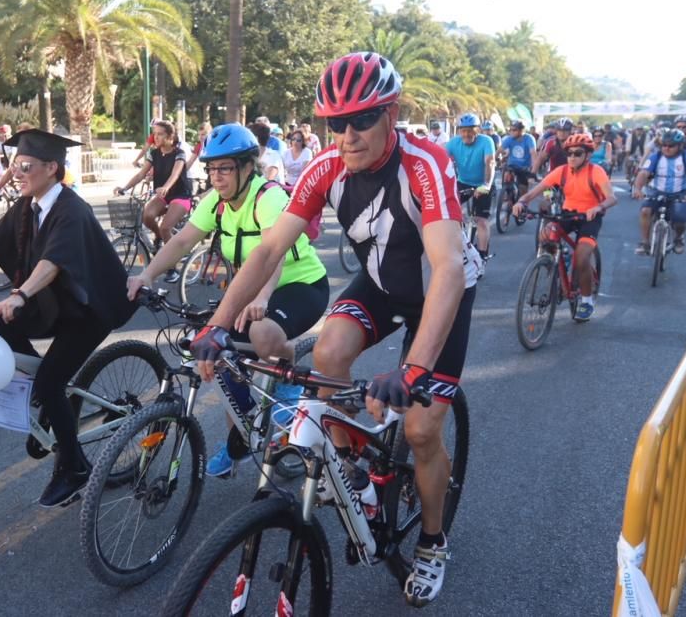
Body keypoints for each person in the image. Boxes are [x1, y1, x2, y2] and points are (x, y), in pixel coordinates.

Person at [190, 52, 480, 608]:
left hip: (444, 295)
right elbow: (271, 246)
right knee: (327, 354)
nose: (348, 135)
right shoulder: (325, 168)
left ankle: (432, 540)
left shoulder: (427, 163)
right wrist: (218, 324)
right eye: (335, 123)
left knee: (420, 431)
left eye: (363, 119)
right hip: (381, 284)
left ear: (391, 114)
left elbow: (446, 267)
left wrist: (412, 368)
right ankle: (356, 471)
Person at [0, 129, 136, 507]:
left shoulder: (71, 209)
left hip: (91, 308)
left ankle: (74, 467)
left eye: (26, 166)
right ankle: (49, 404)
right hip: (56, 301)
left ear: (52, 168)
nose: (17, 172)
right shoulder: (27, 206)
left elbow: (53, 263)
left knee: (50, 381)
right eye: (15, 164)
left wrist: (18, 295)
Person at [128, 124, 329, 476]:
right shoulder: (216, 203)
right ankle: (239, 441)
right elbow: (180, 242)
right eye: (211, 169)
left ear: (247, 167)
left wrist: (264, 296)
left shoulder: (268, 197)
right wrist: (146, 275)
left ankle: (288, 386)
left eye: (225, 168)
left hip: (301, 284)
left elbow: (274, 253)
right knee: (223, 358)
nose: (216, 177)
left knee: (262, 334)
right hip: (252, 288)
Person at [513, 133, 617, 321]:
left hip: (589, 217)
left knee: (582, 256)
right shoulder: (561, 171)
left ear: (587, 155)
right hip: (568, 214)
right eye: (569, 153)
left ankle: (586, 300)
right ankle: (560, 262)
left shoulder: (596, 172)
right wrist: (521, 201)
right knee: (546, 236)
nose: (572, 157)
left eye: (577, 153)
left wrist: (599, 207)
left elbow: (612, 197)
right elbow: (535, 191)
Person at [114, 120, 191, 281]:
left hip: (181, 196)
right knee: (147, 215)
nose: (155, 137)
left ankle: (172, 268)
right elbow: (141, 174)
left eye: (160, 134)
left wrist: (166, 187)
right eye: (154, 134)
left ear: (170, 136)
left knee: (165, 228)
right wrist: (125, 188)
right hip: (163, 195)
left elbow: (175, 175)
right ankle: (159, 240)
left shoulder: (179, 153)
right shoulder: (154, 153)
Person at [633, 129, 686, 255]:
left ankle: (679, 238)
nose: (666, 148)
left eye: (671, 146)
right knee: (645, 211)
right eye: (664, 145)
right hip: (656, 191)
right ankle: (644, 242)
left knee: (680, 219)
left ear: (680, 146)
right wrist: (637, 189)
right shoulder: (656, 157)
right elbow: (643, 173)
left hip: (680, 192)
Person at [446, 113, 495, 273]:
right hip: (463, 182)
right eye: (464, 131)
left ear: (478, 130)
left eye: (471, 130)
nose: (467, 134)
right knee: (449, 212)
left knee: (481, 220)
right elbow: (440, 160)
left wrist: (486, 185)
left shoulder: (486, 141)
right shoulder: (453, 143)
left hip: (483, 183)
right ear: (459, 131)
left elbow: (490, 162)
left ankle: (481, 257)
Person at [500, 120, 538, 195]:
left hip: (524, 167)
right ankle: (507, 197)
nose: (511, 132)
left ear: (522, 130)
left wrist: (533, 172)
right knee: (506, 176)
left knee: (522, 191)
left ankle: (521, 203)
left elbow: (533, 154)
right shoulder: (509, 138)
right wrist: (494, 161)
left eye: (514, 130)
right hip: (512, 165)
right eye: (510, 130)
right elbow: (499, 151)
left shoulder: (529, 139)